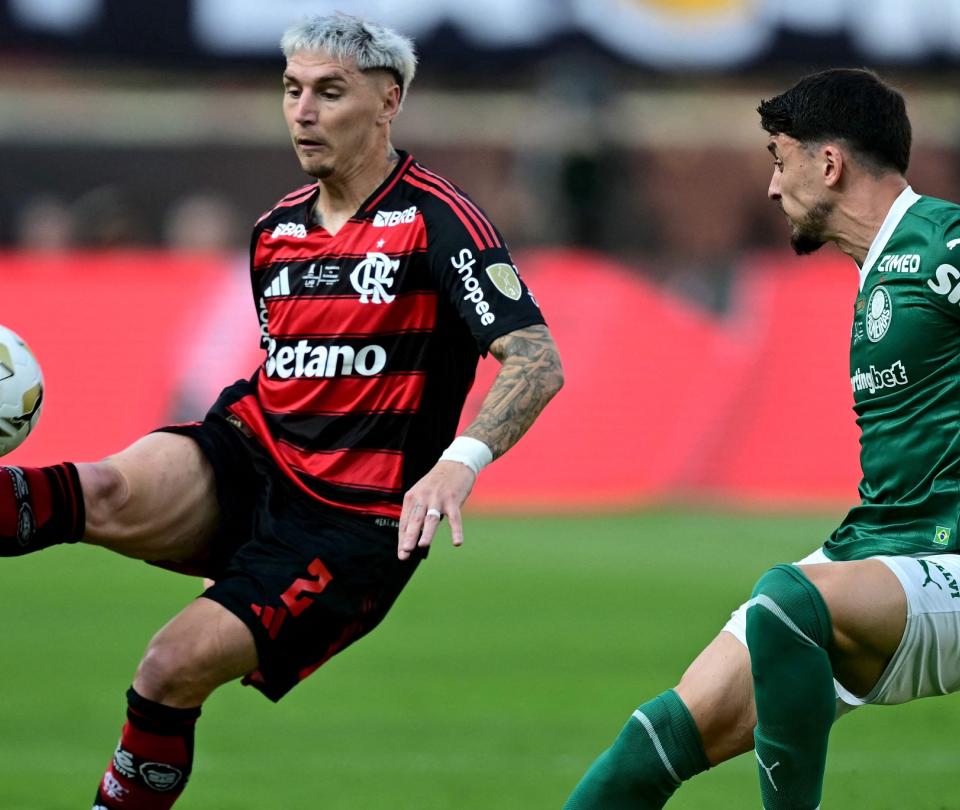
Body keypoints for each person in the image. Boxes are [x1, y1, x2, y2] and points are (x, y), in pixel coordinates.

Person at [0, 14, 563, 809]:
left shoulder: (437, 221)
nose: (302, 111)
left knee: (168, 669)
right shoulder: (277, 230)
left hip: (349, 522)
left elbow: (536, 358)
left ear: (388, 101)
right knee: (98, 489)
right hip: (253, 450)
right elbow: (288, 373)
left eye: (329, 92)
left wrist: (456, 464)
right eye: (293, 90)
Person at [564, 67, 960, 810]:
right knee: (657, 736)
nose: (773, 188)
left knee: (788, 601)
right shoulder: (880, 269)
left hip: (945, 557)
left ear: (829, 163)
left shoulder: (944, 246)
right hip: (881, 548)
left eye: (780, 160)